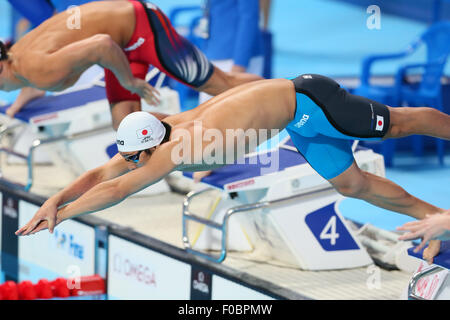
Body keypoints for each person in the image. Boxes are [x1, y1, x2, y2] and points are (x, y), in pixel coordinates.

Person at [16, 74, 450, 263]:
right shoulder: (154, 134)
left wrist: (62, 216)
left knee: (400, 124)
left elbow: (117, 191)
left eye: (134, 158)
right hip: (297, 123)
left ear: (150, 146)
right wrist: (54, 199)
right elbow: (103, 175)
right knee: (353, 187)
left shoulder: (175, 148)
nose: (129, 163)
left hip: (315, 101)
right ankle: (435, 222)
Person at [0, 0, 262, 129]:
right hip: (120, 43)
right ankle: (182, 139)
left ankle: (290, 93)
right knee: (125, 127)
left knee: (222, 85)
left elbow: (101, 45)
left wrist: (129, 81)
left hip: (145, 27)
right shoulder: (19, 55)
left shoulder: (38, 70)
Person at [198, 0, 264, 104]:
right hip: (213, 53)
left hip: (234, 58)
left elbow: (249, 16)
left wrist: (239, 65)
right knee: (204, 114)